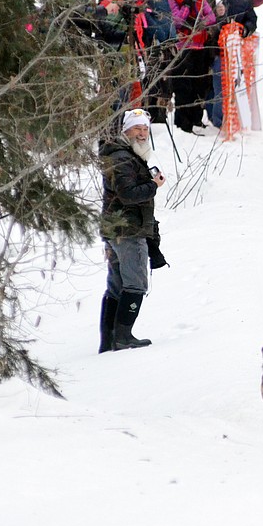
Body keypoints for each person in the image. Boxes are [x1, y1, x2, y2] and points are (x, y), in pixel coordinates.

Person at [98, 108, 166, 353]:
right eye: (137, 128)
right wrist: (152, 185)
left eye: (145, 128)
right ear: (125, 130)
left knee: (116, 285)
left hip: (117, 228)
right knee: (135, 283)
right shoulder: (122, 158)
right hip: (127, 229)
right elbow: (128, 195)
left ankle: (109, 340)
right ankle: (123, 336)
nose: (142, 133)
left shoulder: (126, 155)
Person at [205, 0, 259, 128]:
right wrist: (217, 18)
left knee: (237, 82)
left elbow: (252, 18)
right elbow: (205, 15)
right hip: (216, 44)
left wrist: (245, 30)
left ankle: (236, 118)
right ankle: (218, 119)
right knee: (219, 82)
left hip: (237, 47)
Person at [168, 0, 220, 134]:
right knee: (184, 87)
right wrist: (187, 4)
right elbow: (177, 20)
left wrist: (200, 24)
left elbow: (211, 16)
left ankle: (196, 119)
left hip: (199, 47)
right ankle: (182, 123)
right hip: (183, 48)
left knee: (200, 85)